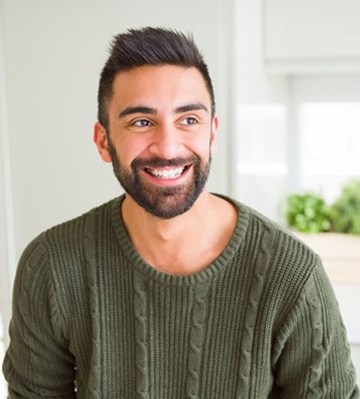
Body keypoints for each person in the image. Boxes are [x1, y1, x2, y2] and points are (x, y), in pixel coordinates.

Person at [2, 27, 359, 399]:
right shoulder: (52, 266)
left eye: (189, 119)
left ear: (212, 134)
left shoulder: (293, 276)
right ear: (103, 141)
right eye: (141, 122)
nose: (168, 146)